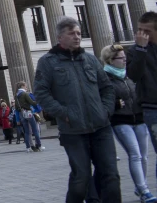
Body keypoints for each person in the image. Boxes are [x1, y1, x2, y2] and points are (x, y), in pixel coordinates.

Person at [34, 15, 120, 202]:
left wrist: (105, 111)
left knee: (111, 175)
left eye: (79, 33)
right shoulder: (48, 62)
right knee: (81, 179)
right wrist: (64, 114)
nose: (77, 36)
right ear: (60, 37)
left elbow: (107, 88)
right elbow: (41, 93)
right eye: (72, 33)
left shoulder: (90, 60)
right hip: (73, 130)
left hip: (100, 126)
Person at [102, 44, 156, 202]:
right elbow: (103, 98)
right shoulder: (105, 77)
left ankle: (140, 187)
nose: (125, 60)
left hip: (139, 117)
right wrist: (115, 104)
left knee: (144, 156)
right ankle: (144, 190)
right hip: (121, 120)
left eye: (125, 58)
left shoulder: (130, 74)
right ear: (110, 60)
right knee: (135, 154)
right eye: (121, 58)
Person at [129, 11, 157, 168]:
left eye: (147, 31)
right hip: (152, 108)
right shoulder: (136, 50)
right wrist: (141, 49)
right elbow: (134, 75)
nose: (142, 35)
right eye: (140, 30)